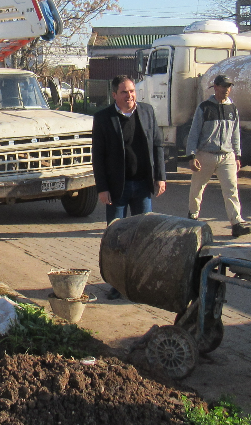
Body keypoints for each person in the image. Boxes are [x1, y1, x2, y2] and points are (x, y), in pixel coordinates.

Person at [92, 75, 167, 299]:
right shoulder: (103, 118)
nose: (130, 96)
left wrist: (160, 177)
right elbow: (98, 156)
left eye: (132, 91)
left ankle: (142, 282)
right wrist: (102, 188)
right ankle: (117, 284)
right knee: (116, 238)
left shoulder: (147, 112)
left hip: (142, 186)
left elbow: (158, 145)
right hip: (117, 190)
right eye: (124, 92)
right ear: (114, 95)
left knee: (144, 237)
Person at [186, 74, 251, 238]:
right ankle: (192, 218)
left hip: (227, 156)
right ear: (215, 87)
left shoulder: (233, 109)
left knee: (231, 190)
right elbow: (194, 132)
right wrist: (191, 155)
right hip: (206, 155)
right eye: (223, 86)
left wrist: (237, 155)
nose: (226, 90)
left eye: (229, 86)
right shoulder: (204, 107)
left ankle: (236, 223)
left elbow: (235, 133)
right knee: (197, 188)